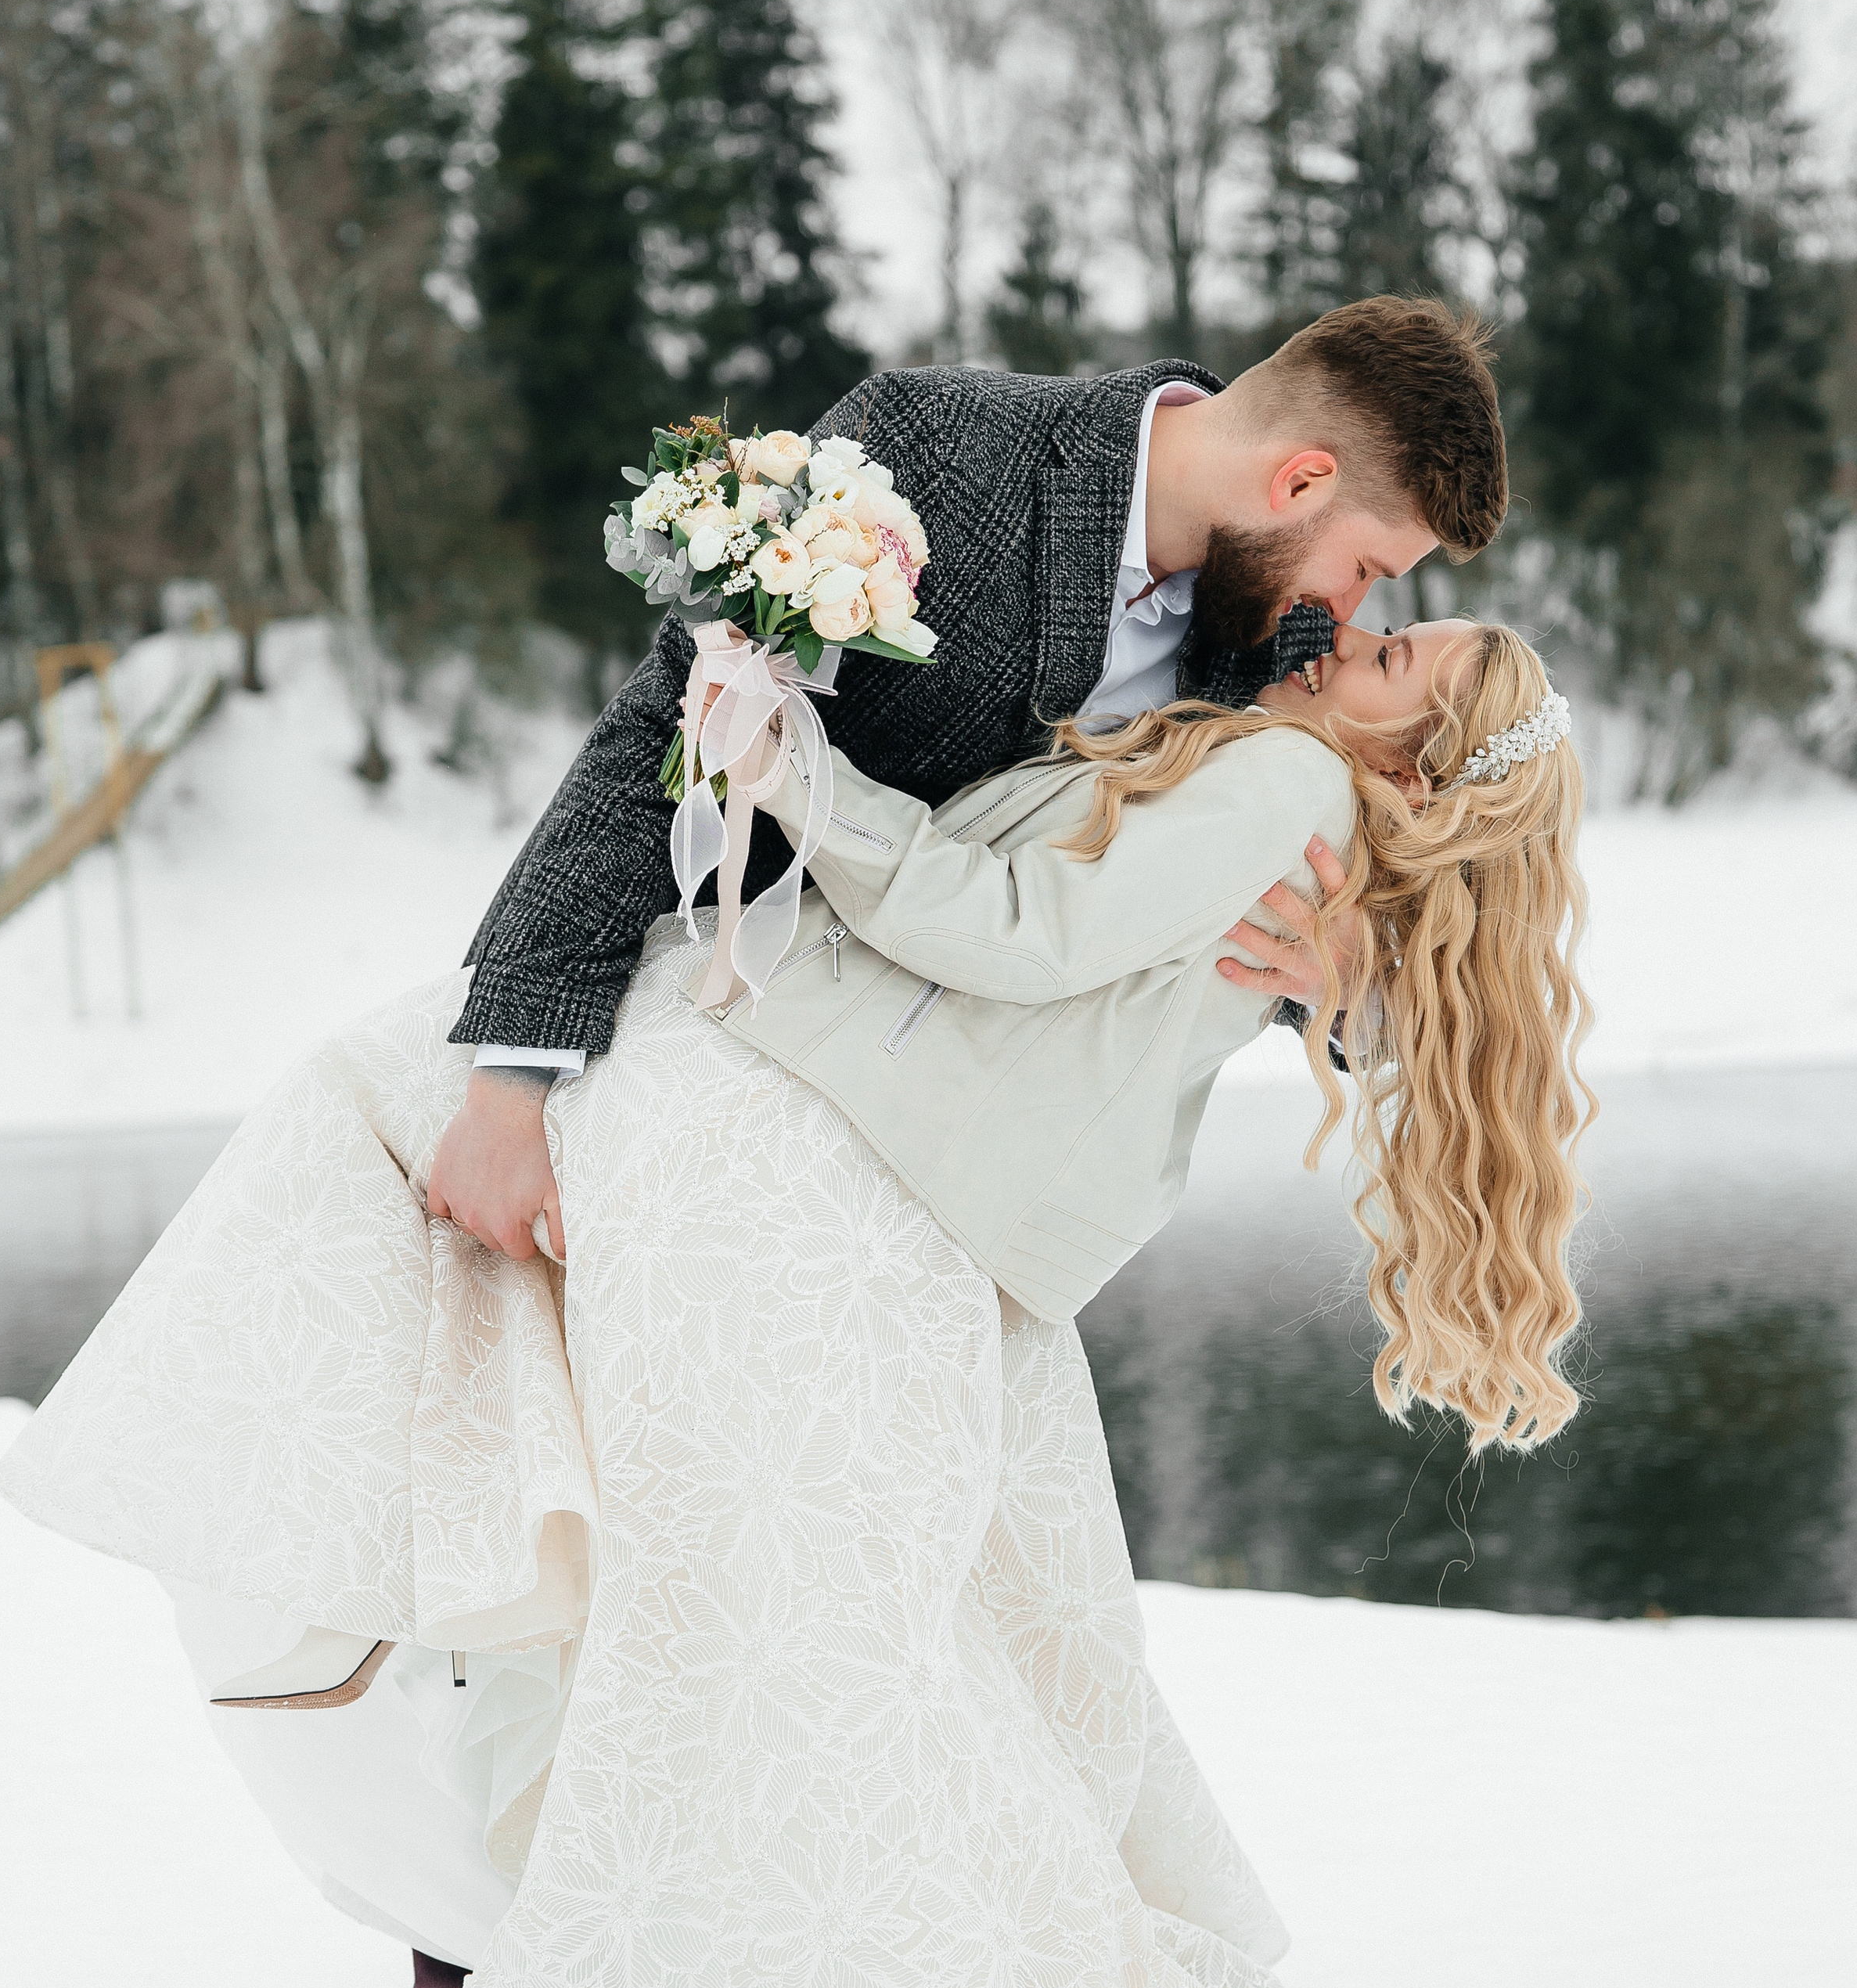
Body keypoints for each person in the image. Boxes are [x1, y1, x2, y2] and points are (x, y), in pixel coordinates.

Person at [0, 605, 1590, 1988]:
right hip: (841, 1134)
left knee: (532, 1456)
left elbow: (1027, 932)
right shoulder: (1268, 753)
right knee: (686, 1574)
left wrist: (796, 776)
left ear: (1416, 760)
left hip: (805, 1106)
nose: (1353, 630)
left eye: (1398, 653)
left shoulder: (1283, 779)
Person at [425, 294, 1507, 1263]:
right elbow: (668, 734)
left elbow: (1197, 926)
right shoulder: (932, 454)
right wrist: (513, 1083)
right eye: (1366, 567)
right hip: (697, 1034)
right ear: (1302, 479)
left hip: (929, 1201)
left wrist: (1361, 992)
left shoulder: (1281, 666)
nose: (1352, 613)